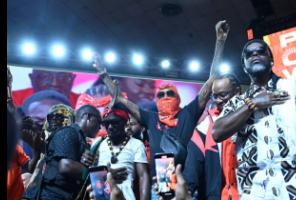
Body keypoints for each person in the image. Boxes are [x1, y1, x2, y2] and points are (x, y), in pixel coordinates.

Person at [92, 20, 230, 198]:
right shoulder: (151, 118)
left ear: (178, 98)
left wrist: (220, 41)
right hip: (158, 188)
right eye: (161, 95)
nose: (165, 98)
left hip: (183, 186)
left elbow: (212, 80)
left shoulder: (187, 113)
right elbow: (119, 99)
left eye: (169, 94)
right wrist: (104, 75)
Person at [212, 39, 296, 199]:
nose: (254, 54)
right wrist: (252, 104)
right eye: (249, 54)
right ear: (244, 67)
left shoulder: (295, 90)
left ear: (271, 60)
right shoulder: (237, 102)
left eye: (260, 51)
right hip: (255, 192)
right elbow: (217, 132)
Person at [183, 74, 241, 200]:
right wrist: (184, 190)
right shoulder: (205, 127)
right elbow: (193, 166)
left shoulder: (252, 117)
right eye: (215, 96)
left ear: (238, 91)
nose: (218, 100)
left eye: (223, 95)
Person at [84, 106, 149, 200]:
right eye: (106, 123)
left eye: (115, 123)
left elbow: (143, 176)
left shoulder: (136, 144)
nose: (110, 127)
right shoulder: (98, 143)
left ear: (125, 123)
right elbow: (90, 173)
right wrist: (107, 175)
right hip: (101, 196)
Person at [39, 104, 101, 199]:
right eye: (98, 121)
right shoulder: (69, 132)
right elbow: (66, 165)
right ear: (87, 117)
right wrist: (94, 174)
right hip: (53, 195)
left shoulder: (80, 138)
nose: (100, 127)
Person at [12, 69, 79, 107]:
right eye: (46, 76)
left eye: (61, 76)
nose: (54, 83)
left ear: (72, 80)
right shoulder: (12, 100)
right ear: (32, 79)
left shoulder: (83, 103)